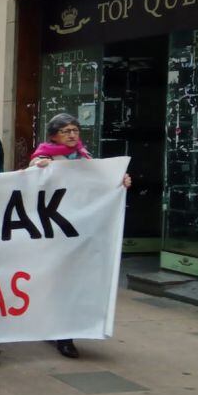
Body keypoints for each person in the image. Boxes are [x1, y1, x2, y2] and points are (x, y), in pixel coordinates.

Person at [30, 113, 131, 359]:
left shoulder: (85, 158)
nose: (72, 134)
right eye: (66, 131)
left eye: (75, 130)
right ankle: (58, 331)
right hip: (55, 231)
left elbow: (99, 184)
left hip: (80, 230)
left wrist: (119, 181)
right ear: (54, 136)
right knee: (58, 281)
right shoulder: (45, 156)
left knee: (75, 280)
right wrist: (38, 168)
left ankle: (66, 331)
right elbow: (31, 180)